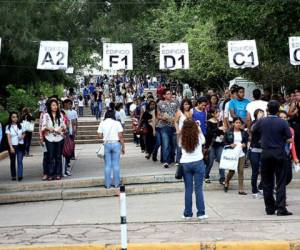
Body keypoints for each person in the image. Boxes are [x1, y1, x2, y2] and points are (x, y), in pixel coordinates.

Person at [253, 101, 292, 216]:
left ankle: (269, 208)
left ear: (267, 109)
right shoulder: (282, 122)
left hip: (265, 153)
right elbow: (289, 137)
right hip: (279, 153)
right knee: (280, 181)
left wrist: (261, 139)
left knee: (267, 182)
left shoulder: (261, 121)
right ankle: (281, 208)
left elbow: (253, 130)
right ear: (278, 110)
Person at [180, 119, 207, 220]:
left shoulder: (181, 137)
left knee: (188, 189)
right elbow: (204, 140)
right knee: (198, 189)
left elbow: (179, 146)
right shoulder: (198, 136)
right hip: (198, 162)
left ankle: (187, 214)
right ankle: (201, 213)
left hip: (185, 163)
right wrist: (198, 127)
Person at [97, 108, 125, 189]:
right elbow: (120, 136)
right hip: (116, 144)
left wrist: (104, 136)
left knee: (107, 165)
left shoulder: (102, 123)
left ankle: (107, 184)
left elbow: (99, 135)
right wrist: (123, 146)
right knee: (116, 164)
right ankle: (116, 184)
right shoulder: (117, 123)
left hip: (107, 144)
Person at [42, 99, 66, 181]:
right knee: (50, 156)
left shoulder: (60, 115)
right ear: (50, 106)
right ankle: (50, 174)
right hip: (49, 138)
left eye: (56, 105)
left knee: (58, 156)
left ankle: (58, 173)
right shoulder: (46, 115)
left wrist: (61, 128)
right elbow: (43, 126)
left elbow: (64, 125)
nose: (55, 107)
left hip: (59, 138)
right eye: (53, 105)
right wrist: (50, 128)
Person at [223, 117, 249, 195]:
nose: (238, 124)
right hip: (232, 153)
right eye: (236, 122)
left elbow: (246, 140)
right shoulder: (228, 132)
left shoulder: (244, 132)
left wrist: (244, 144)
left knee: (241, 170)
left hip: (241, 153)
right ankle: (227, 181)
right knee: (232, 170)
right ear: (233, 123)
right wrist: (230, 145)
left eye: (239, 123)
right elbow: (224, 142)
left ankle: (240, 189)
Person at [157, 89, 179, 168]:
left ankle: (172, 159)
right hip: (164, 126)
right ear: (164, 95)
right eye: (168, 94)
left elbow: (178, 112)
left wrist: (176, 119)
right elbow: (158, 115)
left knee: (173, 144)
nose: (170, 95)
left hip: (174, 125)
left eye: (170, 93)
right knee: (165, 144)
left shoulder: (175, 102)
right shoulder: (160, 103)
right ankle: (166, 161)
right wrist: (163, 118)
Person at [204, 108, 225, 185]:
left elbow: (222, 132)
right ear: (213, 114)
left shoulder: (220, 122)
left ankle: (222, 178)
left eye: (218, 112)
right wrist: (218, 129)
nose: (218, 114)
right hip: (211, 144)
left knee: (221, 161)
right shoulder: (209, 122)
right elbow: (209, 133)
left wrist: (222, 135)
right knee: (210, 162)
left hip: (219, 144)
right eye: (217, 112)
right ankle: (206, 176)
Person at [278, 111, 298, 186]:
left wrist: (295, 157)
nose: (283, 119)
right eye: (281, 117)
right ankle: (279, 188)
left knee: (289, 176)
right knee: (279, 174)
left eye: (285, 118)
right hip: (277, 154)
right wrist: (284, 139)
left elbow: (292, 145)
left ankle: (279, 187)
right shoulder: (275, 128)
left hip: (287, 155)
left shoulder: (291, 130)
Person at [249, 109, 265, 199]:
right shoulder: (254, 123)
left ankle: (261, 187)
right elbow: (252, 129)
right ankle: (254, 190)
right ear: (255, 114)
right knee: (255, 171)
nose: (261, 114)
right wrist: (259, 120)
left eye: (262, 113)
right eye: (259, 113)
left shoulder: (265, 123)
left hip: (263, 150)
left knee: (264, 170)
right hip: (254, 150)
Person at [6, 112, 26, 181]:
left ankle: (20, 175)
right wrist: (11, 147)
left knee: (20, 161)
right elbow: (8, 137)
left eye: (16, 117)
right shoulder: (8, 127)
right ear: (11, 118)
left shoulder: (21, 125)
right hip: (12, 146)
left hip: (20, 145)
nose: (15, 118)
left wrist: (22, 137)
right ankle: (13, 175)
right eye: (13, 117)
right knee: (13, 161)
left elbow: (24, 133)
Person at [174, 99, 193, 167]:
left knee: (187, 146)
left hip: (189, 132)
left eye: (188, 104)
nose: (187, 106)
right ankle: (178, 160)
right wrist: (177, 130)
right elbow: (175, 122)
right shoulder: (179, 112)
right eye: (185, 104)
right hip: (181, 132)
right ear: (182, 105)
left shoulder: (191, 112)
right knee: (180, 146)